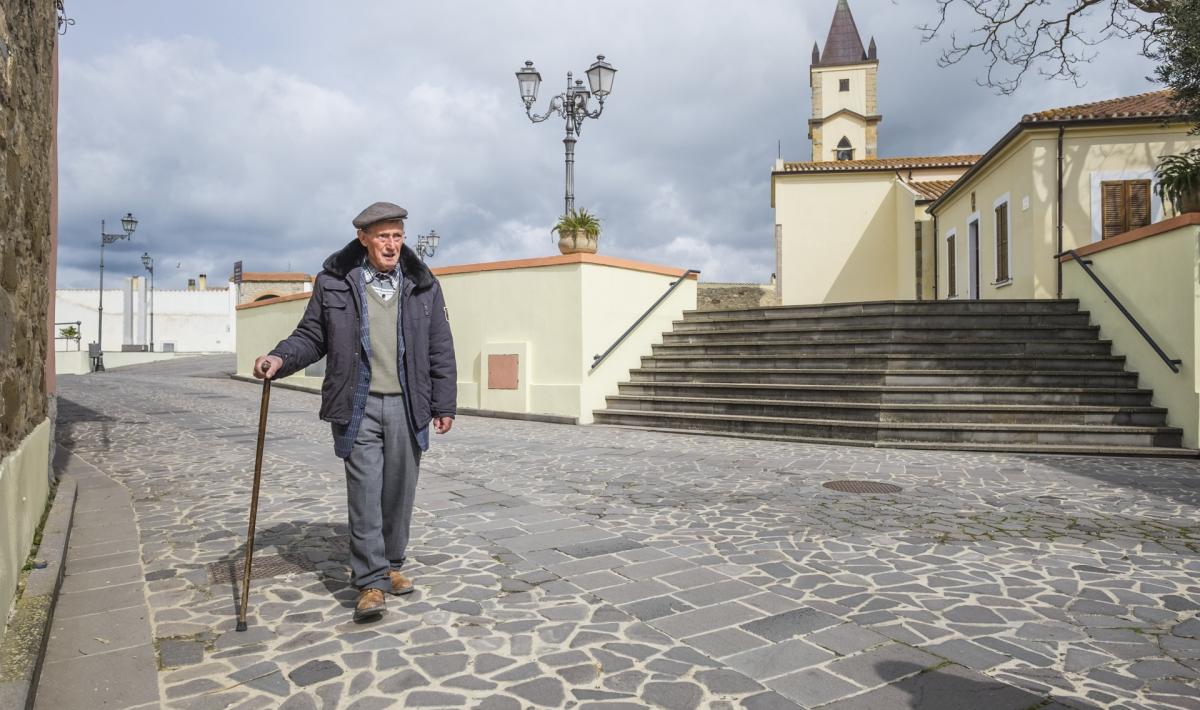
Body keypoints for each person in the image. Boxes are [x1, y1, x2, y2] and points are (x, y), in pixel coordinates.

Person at [254, 201, 456, 622]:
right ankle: (370, 581)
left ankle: (392, 565)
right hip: (358, 404)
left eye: (397, 236)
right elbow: (311, 336)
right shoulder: (335, 283)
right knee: (365, 493)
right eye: (383, 236)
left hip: (408, 404)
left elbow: (440, 346)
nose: (392, 244)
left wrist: (444, 403)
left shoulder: (422, 284)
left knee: (399, 493)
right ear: (363, 238)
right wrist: (278, 358)